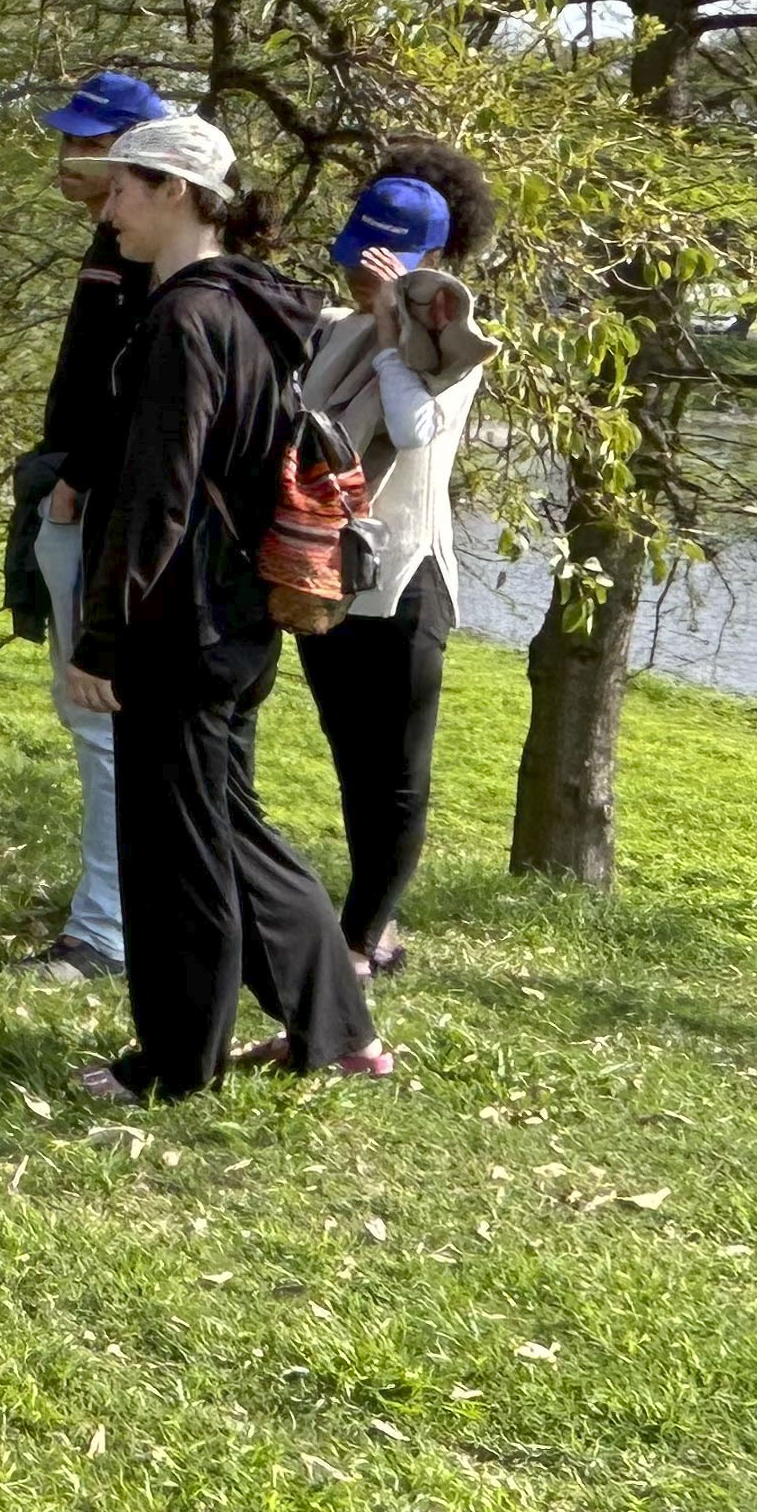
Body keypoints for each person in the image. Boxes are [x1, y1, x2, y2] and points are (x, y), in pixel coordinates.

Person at [61, 112, 385, 1103]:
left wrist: (102, 638)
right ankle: (337, 1032)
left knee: (178, 857)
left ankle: (173, 1066)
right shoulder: (254, 309)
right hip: (235, 615)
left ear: (175, 193)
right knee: (228, 825)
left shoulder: (189, 319)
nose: (105, 208)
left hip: (179, 620)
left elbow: (157, 492)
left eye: (122, 188)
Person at [297, 147, 499, 979]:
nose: (360, 278)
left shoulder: (453, 341)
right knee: (350, 760)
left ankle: (356, 943)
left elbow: (416, 430)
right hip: (326, 573)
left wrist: (393, 338)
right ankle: (370, 927)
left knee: (397, 773)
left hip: (406, 581)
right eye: (355, 261)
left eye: (381, 265)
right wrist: (367, 329)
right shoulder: (331, 332)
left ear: (428, 266)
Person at [11, 70, 173, 985]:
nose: (70, 156)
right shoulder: (112, 242)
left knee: (102, 716)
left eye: (90, 141)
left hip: (102, 514)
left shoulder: (156, 259)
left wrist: (77, 481)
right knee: (91, 721)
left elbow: (138, 393)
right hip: (80, 501)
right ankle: (114, 911)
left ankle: (105, 932)